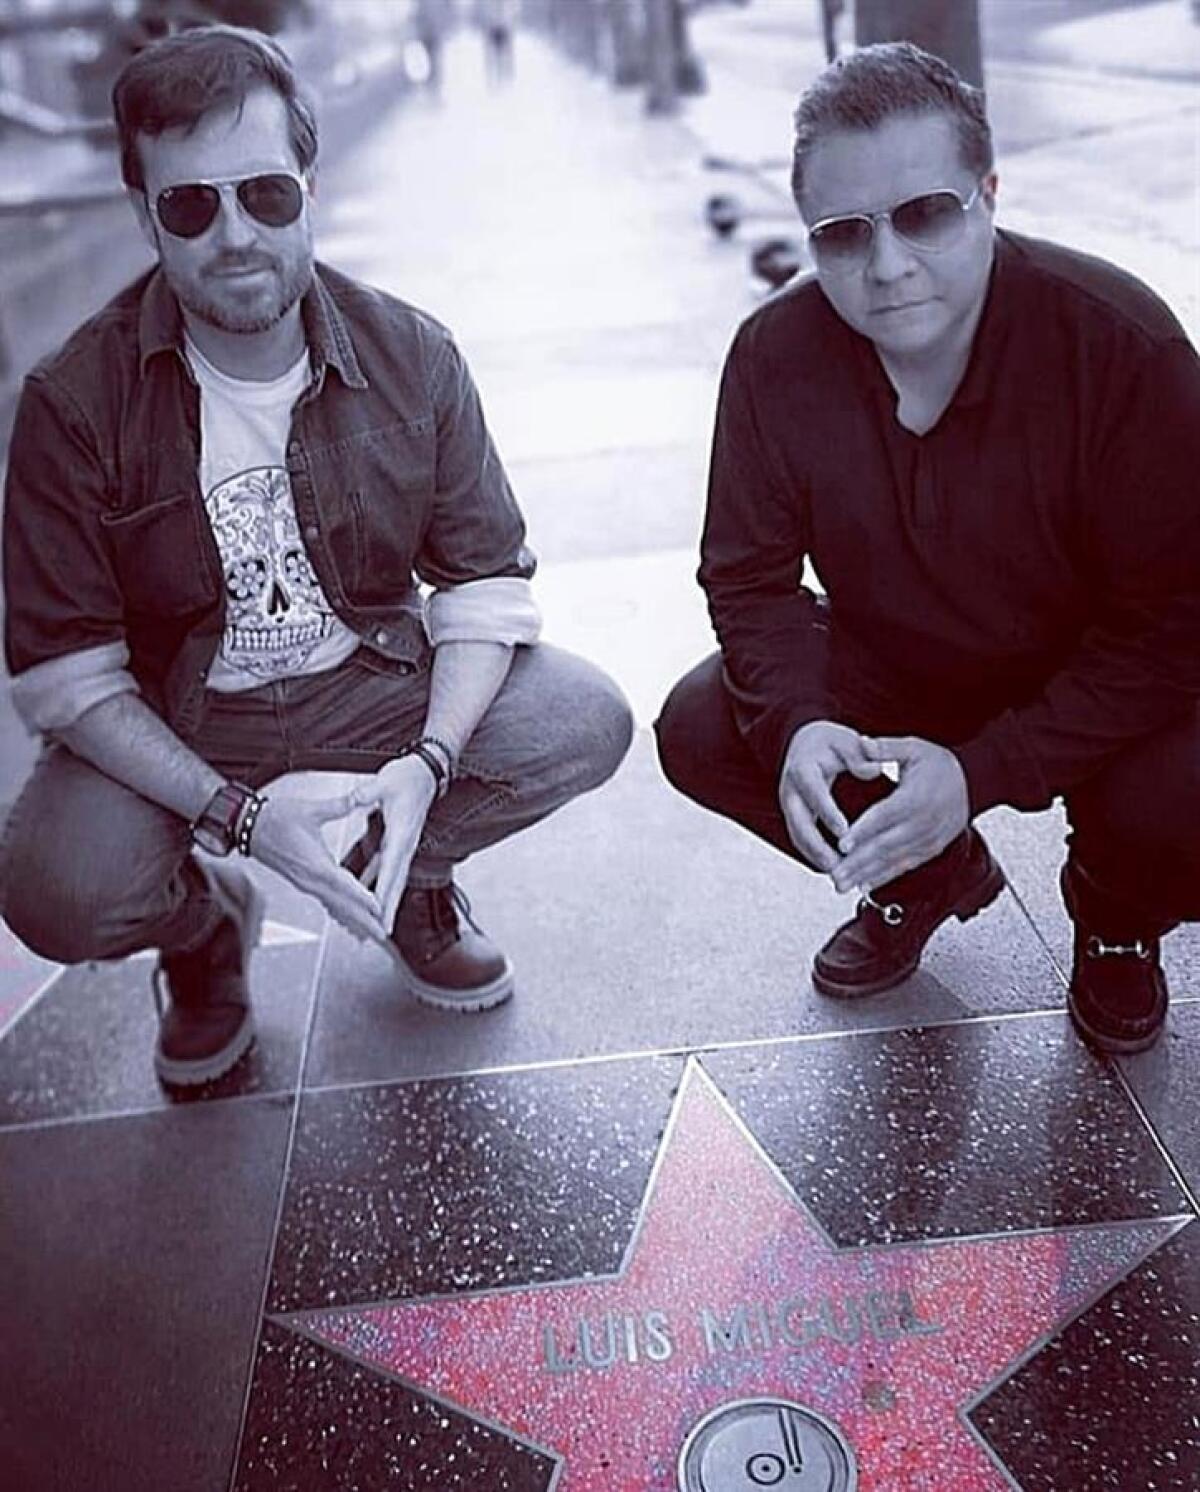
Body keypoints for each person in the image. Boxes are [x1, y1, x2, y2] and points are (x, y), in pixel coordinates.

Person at [0, 25, 633, 1087]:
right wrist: (240, 820)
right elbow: (67, 681)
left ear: (308, 183)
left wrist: (425, 770)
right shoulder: (74, 402)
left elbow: (482, 590)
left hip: (368, 688)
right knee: (55, 889)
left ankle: (407, 877)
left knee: (583, 717)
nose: (235, 234)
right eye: (191, 205)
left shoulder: (411, 355)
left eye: (266, 193)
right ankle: (202, 930)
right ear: (143, 215)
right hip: (182, 713)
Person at [656, 43, 1199, 1055]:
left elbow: (1176, 630)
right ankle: (922, 873)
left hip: (1102, 680)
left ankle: (1118, 915)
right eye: (844, 232)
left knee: (1185, 786)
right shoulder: (774, 358)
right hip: (903, 663)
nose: (887, 263)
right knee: (706, 724)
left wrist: (988, 767)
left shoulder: (1123, 346)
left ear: (989, 194)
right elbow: (750, 579)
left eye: (927, 212)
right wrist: (801, 726)